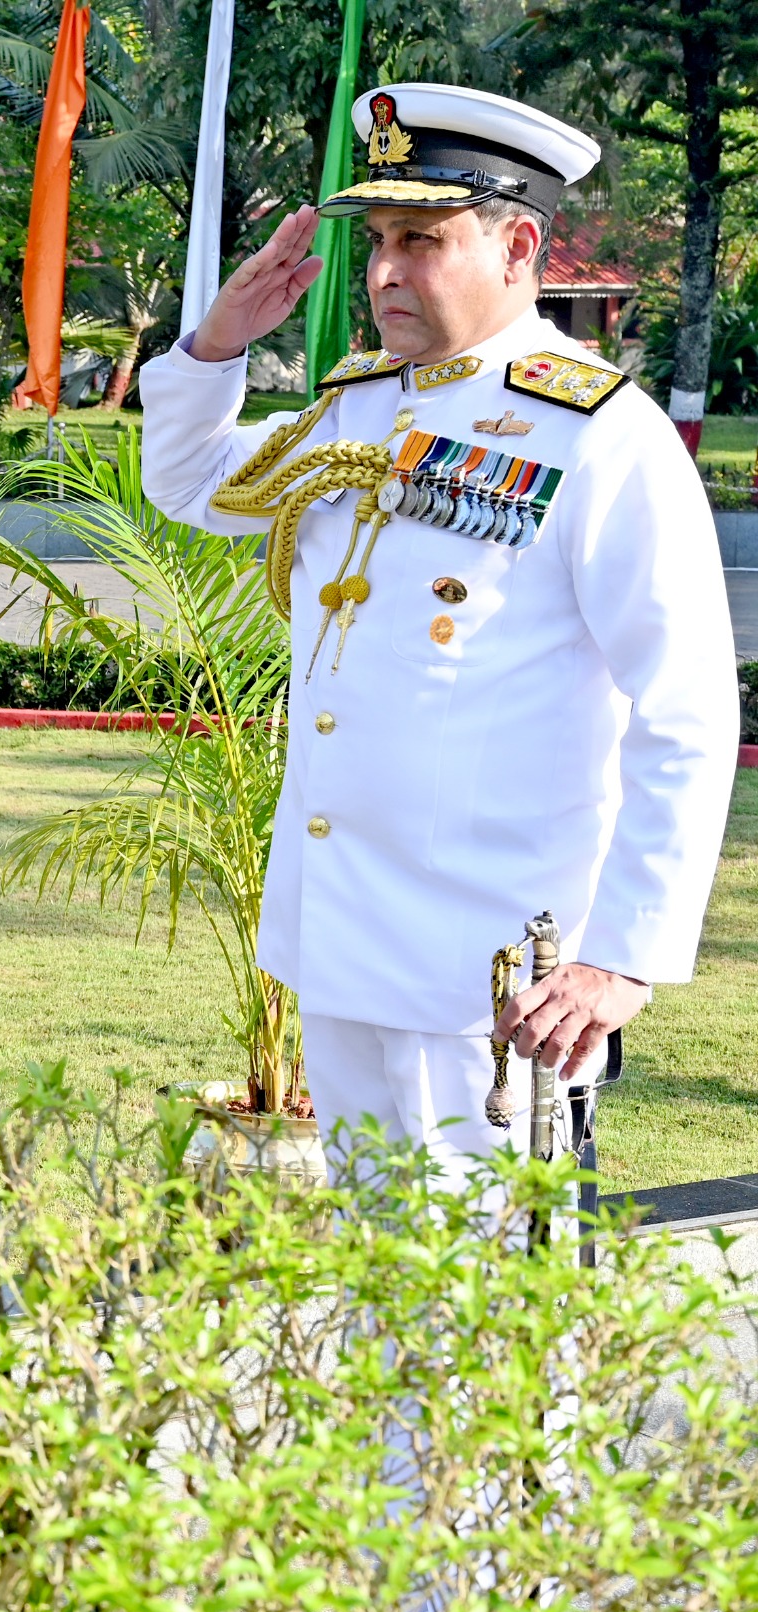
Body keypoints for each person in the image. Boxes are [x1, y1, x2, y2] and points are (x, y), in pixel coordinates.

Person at [139, 84, 740, 1180]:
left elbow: (687, 708)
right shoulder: (357, 408)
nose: (381, 273)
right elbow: (188, 485)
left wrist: (622, 957)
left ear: (517, 245)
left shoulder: (600, 438)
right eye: (375, 242)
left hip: (492, 977)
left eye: (420, 240)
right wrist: (218, 345)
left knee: (480, 1298)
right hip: (340, 939)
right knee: (380, 1288)